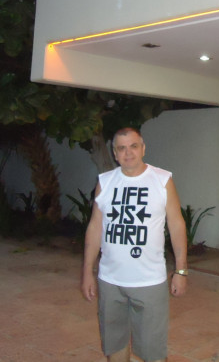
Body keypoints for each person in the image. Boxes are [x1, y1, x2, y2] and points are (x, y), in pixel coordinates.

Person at [80, 127, 188, 362]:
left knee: (153, 353)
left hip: (149, 281)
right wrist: (87, 271)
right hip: (110, 281)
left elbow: (177, 225)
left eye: (133, 146)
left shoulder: (162, 180)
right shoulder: (105, 182)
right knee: (115, 345)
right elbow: (95, 227)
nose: (128, 153)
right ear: (115, 153)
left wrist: (180, 271)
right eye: (121, 148)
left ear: (143, 148)